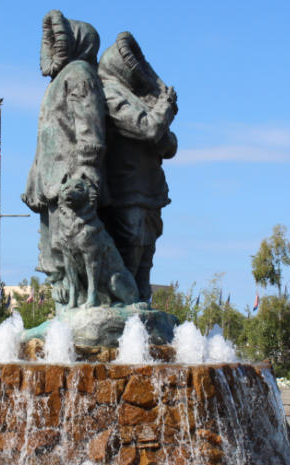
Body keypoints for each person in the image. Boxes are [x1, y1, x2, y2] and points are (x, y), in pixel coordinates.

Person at [21, 9, 108, 306]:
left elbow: (90, 131)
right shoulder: (58, 80)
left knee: (75, 247)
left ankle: (81, 306)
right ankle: (67, 307)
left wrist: (85, 175)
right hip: (50, 181)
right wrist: (35, 177)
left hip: (70, 181)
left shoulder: (81, 73)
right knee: (55, 247)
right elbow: (47, 134)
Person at [97, 32, 178, 302]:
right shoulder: (109, 94)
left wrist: (159, 121)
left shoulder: (133, 97)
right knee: (128, 266)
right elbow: (150, 128)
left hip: (150, 195)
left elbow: (169, 144)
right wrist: (164, 108)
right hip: (126, 194)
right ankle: (122, 328)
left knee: (145, 272)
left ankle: (143, 332)